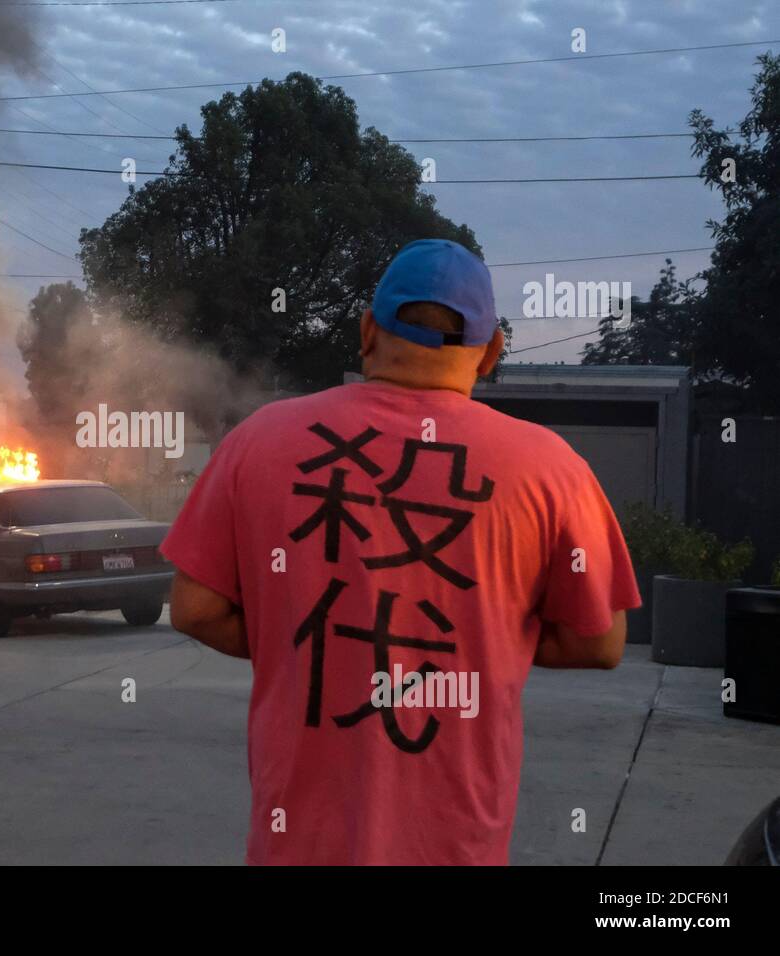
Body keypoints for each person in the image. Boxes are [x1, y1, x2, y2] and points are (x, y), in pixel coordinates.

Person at [161, 238, 640, 866]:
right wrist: (491, 638)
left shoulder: (258, 442)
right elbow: (599, 642)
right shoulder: (553, 471)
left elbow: (195, 610)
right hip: (455, 849)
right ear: (492, 352)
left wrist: (309, 642)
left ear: (366, 331)